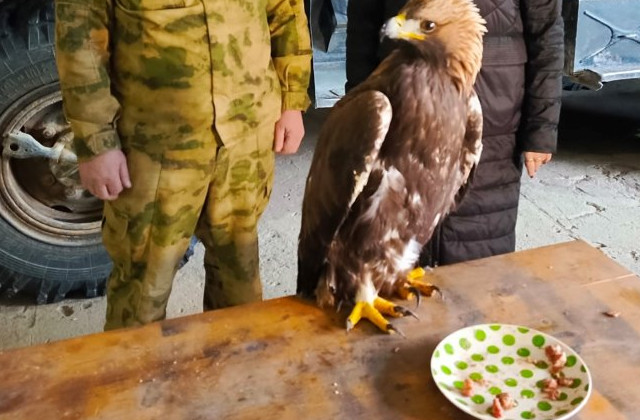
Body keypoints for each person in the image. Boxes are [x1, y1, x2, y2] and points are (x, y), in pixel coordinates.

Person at [55, 0, 312, 329]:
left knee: (238, 271)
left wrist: (292, 100)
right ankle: (135, 376)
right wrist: (96, 143)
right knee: (143, 284)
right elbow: (80, 38)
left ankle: (236, 369)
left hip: (245, 137)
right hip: (156, 151)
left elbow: (286, 11)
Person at [345, 0, 563, 265]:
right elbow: (362, 29)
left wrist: (541, 127)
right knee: (396, 247)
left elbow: (547, 34)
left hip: (493, 121)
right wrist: (358, 117)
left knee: (480, 249)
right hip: (404, 110)